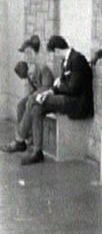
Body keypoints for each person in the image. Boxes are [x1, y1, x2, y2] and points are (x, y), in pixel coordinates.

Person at [0, 35, 93, 165]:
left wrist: (59, 85)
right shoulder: (66, 61)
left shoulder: (78, 59)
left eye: (54, 53)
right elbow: (61, 84)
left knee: (33, 99)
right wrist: (51, 91)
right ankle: (38, 152)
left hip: (76, 103)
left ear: (57, 50)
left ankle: (19, 140)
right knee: (36, 107)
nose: (54, 56)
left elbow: (73, 88)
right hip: (66, 99)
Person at [1, 35, 54, 153]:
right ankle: (27, 138)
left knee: (30, 103)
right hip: (37, 96)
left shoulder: (43, 67)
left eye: (29, 53)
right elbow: (33, 88)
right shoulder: (32, 67)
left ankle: (19, 139)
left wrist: (34, 95)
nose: (27, 57)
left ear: (35, 53)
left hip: (47, 98)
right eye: (25, 54)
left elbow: (47, 87)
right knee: (20, 105)